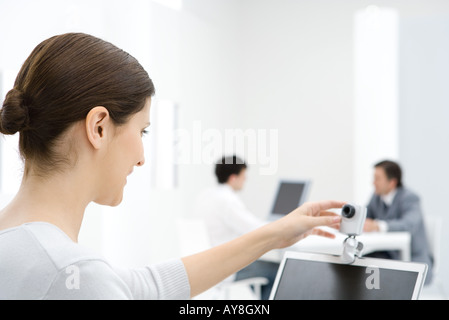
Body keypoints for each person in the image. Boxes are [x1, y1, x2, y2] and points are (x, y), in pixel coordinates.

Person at [0, 33, 343, 299]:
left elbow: (147, 287)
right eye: (142, 130)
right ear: (99, 127)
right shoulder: (71, 272)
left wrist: (274, 234)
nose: (141, 157)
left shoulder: (29, 249)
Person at [194, 155, 278, 300]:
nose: (246, 180)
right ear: (233, 178)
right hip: (226, 268)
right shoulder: (227, 200)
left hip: (207, 264)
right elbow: (254, 228)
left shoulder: (205, 195)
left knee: (260, 268)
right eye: (243, 175)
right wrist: (282, 225)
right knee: (277, 270)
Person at [363, 160, 433, 284]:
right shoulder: (377, 197)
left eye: (377, 179)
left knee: (374, 270)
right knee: (361, 262)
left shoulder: (410, 198)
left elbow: (408, 224)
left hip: (412, 259)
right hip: (388, 256)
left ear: (392, 182)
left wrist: (378, 226)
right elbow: (365, 216)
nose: (373, 183)